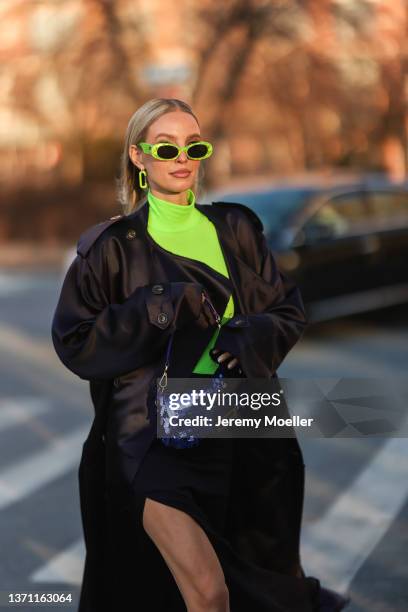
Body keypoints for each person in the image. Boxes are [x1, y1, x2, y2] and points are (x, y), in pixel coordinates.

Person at [51, 98, 350, 612]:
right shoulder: (112, 247)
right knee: (208, 593)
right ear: (139, 158)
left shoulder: (236, 227)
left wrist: (247, 336)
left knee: (246, 582)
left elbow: (287, 308)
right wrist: (156, 307)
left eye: (195, 145)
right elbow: (75, 338)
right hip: (151, 438)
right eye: (166, 147)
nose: (182, 157)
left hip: (240, 428)